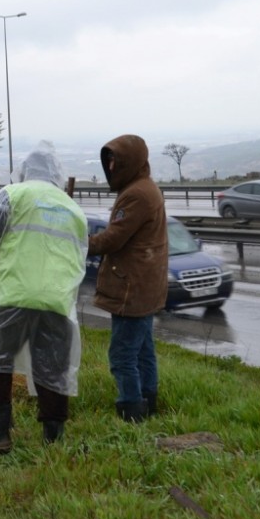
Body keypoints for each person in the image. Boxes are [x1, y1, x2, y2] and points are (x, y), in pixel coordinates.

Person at [0, 143, 88, 452]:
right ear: (57, 176)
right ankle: (53, 441)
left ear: (24, 171)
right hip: (58, 302)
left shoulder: (13, 195)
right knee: (53, 369)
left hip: (15, 294)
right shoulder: (72, 208)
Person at [87, 134, 168, 423]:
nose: (110, 166)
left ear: (130, 162)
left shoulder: (135, 194)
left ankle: (131, 409)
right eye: (107, 159)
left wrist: (79, 244)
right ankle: (149, 400)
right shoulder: (147, 187)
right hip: (145, 284)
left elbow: (113, 239)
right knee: (144, 350)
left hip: (131, 287)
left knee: (122, 355)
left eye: (115, 160)